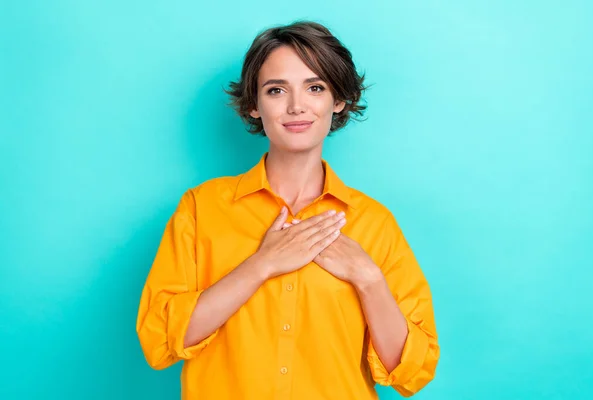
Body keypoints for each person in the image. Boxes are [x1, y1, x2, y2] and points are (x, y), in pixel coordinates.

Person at [136, 20, 439, 399]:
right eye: (276, 90)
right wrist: (261, 264)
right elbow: (160, 339)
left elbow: (410, 373)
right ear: (254, 106)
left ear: (338, 100)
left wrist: (368, 278)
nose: (297, 106)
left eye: (315, 87)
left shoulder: (374, 222)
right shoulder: (202, 208)